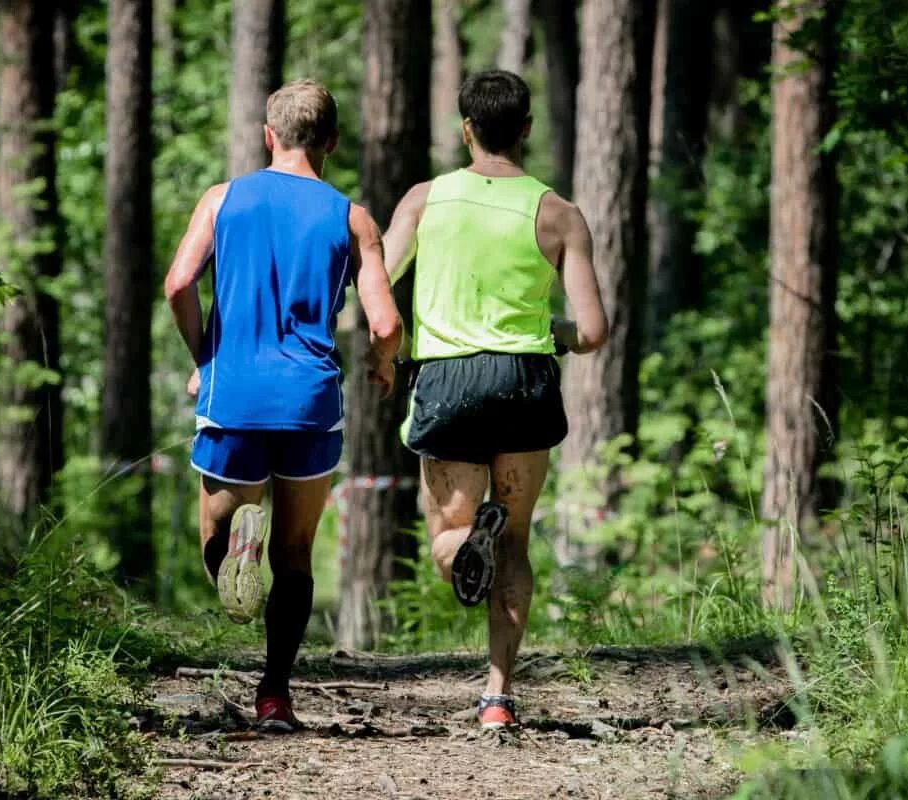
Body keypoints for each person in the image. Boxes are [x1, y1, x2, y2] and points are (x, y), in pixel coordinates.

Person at [163, 79, 402, 732]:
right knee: (295, 554)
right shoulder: (350, 216)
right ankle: (275, 694)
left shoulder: (222, 200)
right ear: (330, 142)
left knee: (216, 534)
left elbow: (179, 282)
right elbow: (384, 324)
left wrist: (202, 357)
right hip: (309, 403)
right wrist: (383, 367)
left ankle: (237, 543)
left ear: (269, 135)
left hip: (231, 393)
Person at [382, 70, 608, 730]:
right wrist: (553, 334)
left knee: (449, 540)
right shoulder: (559, 213)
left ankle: (466, 542)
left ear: (466, 129)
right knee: (515, 546)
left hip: (448, 380)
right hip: (524, 380)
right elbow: (592, 330)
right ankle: (497, 696)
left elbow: (378, 280)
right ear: (527, 130)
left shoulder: (425, 200)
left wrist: (382, 347)